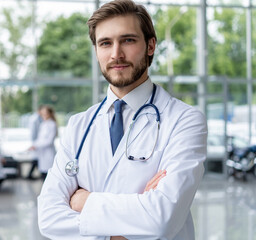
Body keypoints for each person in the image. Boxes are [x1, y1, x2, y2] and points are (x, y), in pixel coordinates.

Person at [37, 0, 207, 239]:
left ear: (150, 45)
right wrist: (122, 230)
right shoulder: (79, 126)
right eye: (105, 43)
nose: (116, 54)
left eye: (128, 40)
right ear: (96, 51)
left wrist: (84, 201)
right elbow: (48, 218)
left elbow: (162, 219)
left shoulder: (184, 121)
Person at [29, 105, 58, 180]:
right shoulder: (43, 124)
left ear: (50, 114)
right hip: (42, 154)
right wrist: (34, 145)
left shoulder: (52, 124)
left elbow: (49, 141)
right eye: (42, 114)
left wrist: (37, 145)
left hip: (48, 154)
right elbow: (39, 139)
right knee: (43, 174)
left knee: (48, 176)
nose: (43, 115)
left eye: (45, 113)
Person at [27, 107, 43, 180]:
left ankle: (30, 174)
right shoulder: (36, 119)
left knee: (36, 160)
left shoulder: (38, 118)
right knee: (36, 160)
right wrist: (35, 144)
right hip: (36, 142)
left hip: (38, 143)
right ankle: (30, 175)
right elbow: (35, 132)